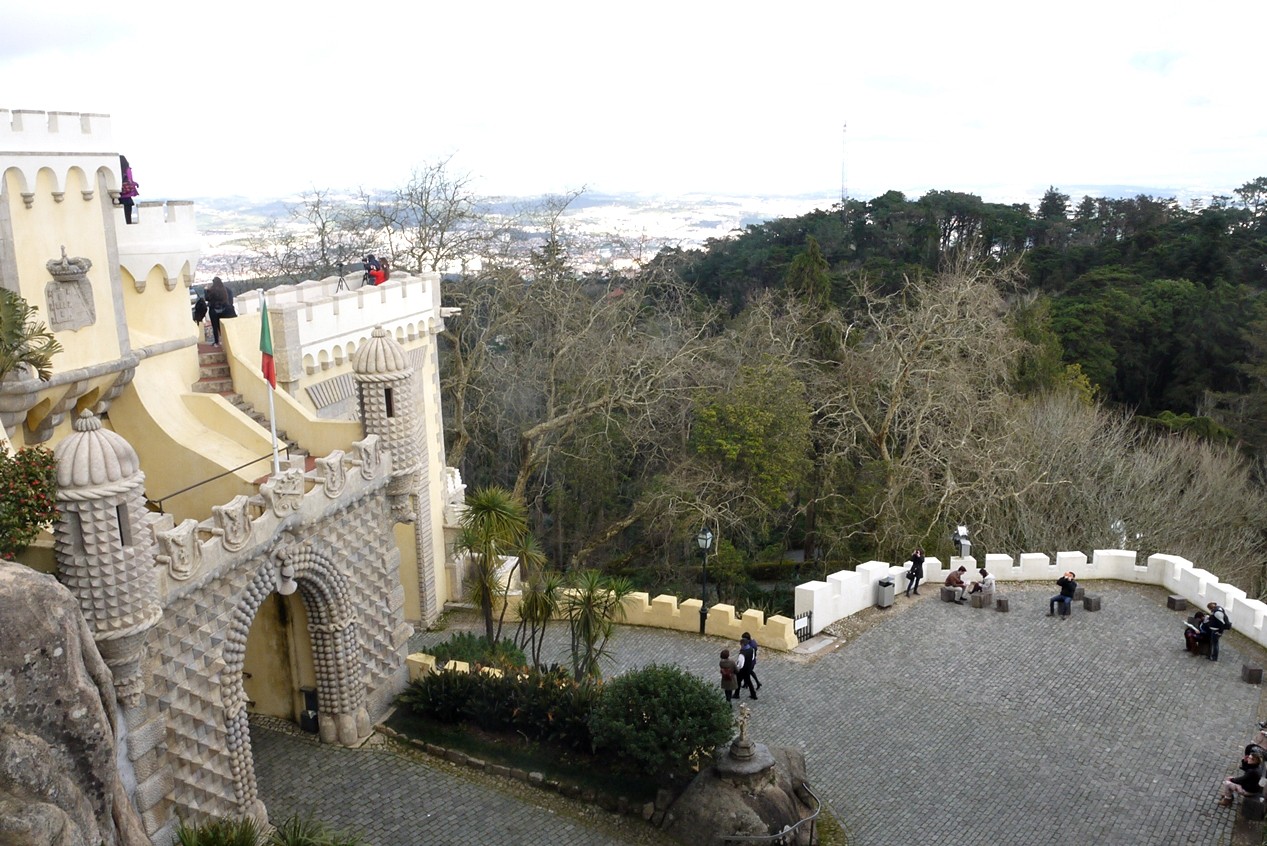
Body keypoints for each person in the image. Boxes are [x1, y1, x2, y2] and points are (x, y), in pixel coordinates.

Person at [205, 277, 236, 346]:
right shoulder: (226, 289)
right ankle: (227, 340)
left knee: (215, 326)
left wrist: (205, 290)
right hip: (224, 310)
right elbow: (230, 298)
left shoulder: (211, 290)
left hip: (214, 311)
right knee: (224, 326)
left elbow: (207, 298)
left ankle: (217, 341)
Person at [119, 155, 139, 225]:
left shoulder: (117, 170)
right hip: (127, 196)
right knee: (128, 216)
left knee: (120, 216)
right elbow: (130, 180)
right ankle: (128, 224)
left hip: (119, 195)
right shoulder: (127, 169)